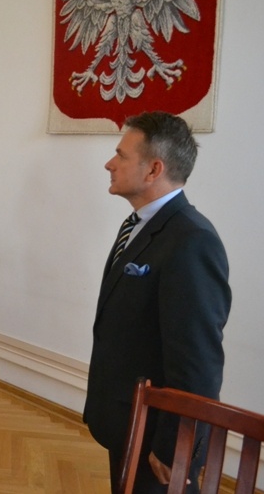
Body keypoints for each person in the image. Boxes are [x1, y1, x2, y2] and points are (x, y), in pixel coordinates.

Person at [83, 111, 231, 493]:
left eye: (121, 155)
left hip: (157, 439)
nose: (109, 163)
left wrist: (174, 447)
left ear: (153, 170)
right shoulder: (138, 223)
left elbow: (197, 363)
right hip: (128, 420)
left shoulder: (192, 240)